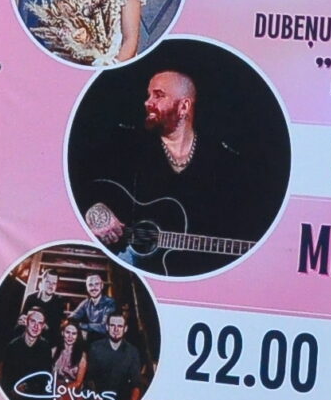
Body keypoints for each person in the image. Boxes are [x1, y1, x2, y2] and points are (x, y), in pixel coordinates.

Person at [80, 67, 262, 273]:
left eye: (158, 95)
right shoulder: (126, 143)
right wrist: (94, 210)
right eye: (149, 95)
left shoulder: (223, 162)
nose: (147, 102)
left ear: (184, 107)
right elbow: (76, 182)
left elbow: (242, 225)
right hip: (119, 267)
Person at [75, 310, 148, 400]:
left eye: (120, 326)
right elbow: (90, 379)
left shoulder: (132, 352)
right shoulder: (95, 348)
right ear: (107, 327)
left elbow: (136, 385)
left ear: (125, 329)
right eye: (112, 325)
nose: (116, 329)